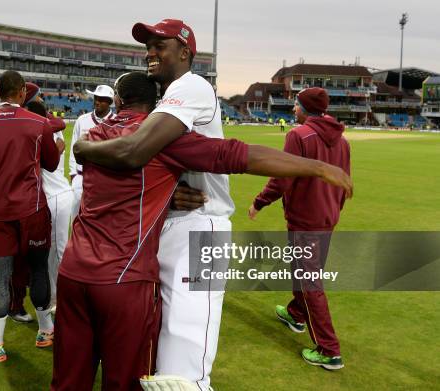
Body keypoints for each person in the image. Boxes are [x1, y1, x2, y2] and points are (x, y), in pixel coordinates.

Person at [73, 20, 352, 390]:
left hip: (201, 226)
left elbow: (139, 151)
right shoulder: (165, 100)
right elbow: (153, 163)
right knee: (159, 357)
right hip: (167, 222)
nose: (151, 53)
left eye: (161, 45)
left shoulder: (192, 86)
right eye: (148, 46)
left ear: (186, 52)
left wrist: (82, 148)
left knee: (185, 368)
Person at [248, 87, 350, 370]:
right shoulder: (343, 140)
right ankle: (296, 313)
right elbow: (345, 180)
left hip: (306, 218)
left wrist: (259, 202)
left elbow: (282, 177)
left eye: (295, 104)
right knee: (303, 270)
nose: (293, 109)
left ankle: (329, 350)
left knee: (309, 280)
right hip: (327, 216)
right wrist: (333, 210)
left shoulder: (298, 135)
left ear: (305, 108)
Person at [0, 70, 60, 363]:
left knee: (0, 276)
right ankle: (45, 331)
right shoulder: (39, 123)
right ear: (20, 93)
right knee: (39, 269)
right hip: (33, 210)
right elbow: (52, 164)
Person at [8, 83, 74, 350]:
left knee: (42, 255)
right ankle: (36, 304)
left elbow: (57, 124)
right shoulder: (36, 127)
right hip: (38, 200)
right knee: (33, 256)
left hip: (47, 198)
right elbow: (57, 125)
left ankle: (51, 301)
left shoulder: (40, 127)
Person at [68, 85, 115, 219]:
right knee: (76, 217)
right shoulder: (82, 120)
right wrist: (73, 174)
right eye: (96, 98)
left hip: (105, 179)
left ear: (110, 102)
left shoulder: (116, 122)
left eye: (102, 99)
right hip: (81, 177)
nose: (97, 101)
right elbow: (73, 147)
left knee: (101, 219)